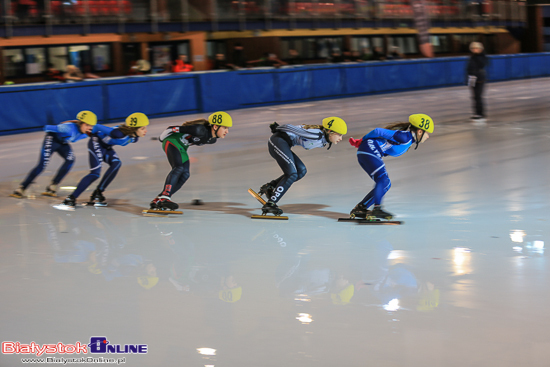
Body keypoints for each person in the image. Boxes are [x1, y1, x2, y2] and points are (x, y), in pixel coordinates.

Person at [348, 114, 434, 220]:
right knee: (383, 180)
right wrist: (362, 140)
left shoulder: (408, 140)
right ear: (420, 131)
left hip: (367, 151)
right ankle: (377, 209)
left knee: (386, 184)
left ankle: (361, 208)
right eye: (427, 133)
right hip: (369, 149)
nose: (428, 136)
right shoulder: (404, 137)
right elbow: (378, 131)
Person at [255, 117, 347, 215]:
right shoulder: (317, 135)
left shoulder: (323, 138)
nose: (341, 138)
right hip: (278, 141)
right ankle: (271, 203)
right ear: (329, 131)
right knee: (292, 174)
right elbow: (290, 127)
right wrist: (277, 128)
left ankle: (270, 186)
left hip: (283, 143)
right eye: (339, 135)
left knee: (301, 171)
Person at [58, 112, 149, 208]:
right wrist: (86, 129)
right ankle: (71, 198)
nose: (145, 131)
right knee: (95, 174)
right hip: (96, 143)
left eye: (145, 127)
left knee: (116, 164)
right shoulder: (117, 133)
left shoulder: (134, 138)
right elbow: (96, 126)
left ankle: (98, 192)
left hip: (106, 147)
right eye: (142, 128)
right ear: (134, 129)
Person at [149, 111, 233, 211]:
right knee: (178, 167)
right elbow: (171, 129)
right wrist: (161, 139)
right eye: (225, 128)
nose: (227, 131)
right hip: (172, 141)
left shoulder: (212, 140)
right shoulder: (199, 130)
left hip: (182, 147)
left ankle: (158, 199)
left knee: (185, 174)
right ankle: (165, 197)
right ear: (215, 126)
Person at [10, 111, 97, 199]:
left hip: (63, 142)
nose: (89, 128)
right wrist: (60, 127)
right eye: (87, 125)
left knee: (70, 160)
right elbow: (46, 128)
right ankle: (22, 188)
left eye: (91, 126)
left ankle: (53, 185)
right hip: (52, 140)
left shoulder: (88, 131)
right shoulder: (67, 128)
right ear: (80, 123)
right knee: (42, 165)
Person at [466, 42, 488, 122]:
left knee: (478, 96)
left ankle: (481, 113)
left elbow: (482, 64)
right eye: (473, 49)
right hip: (472, 79)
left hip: (480, 79)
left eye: (476, 48)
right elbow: (468, 69)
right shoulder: (471, 57)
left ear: (480, 49)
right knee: (474, 97)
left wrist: (477, 55)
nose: (474, 50)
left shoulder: (482, 57)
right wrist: (467, 80)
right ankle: (476, 113)